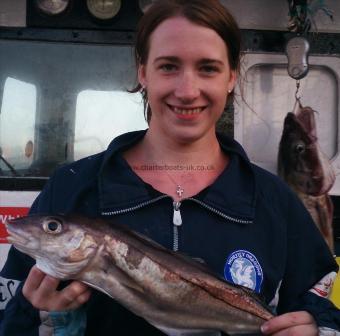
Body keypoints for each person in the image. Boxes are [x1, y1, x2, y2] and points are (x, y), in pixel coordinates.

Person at [0, 0, 339, 335]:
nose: (188, 91)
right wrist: (40, 319)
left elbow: (322, 305)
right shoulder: (71, 188)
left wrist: (316, 330)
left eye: (208, 68)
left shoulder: (274, 200)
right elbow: (8, 317)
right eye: (168, 66)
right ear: (143, 72)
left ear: (232, 76)